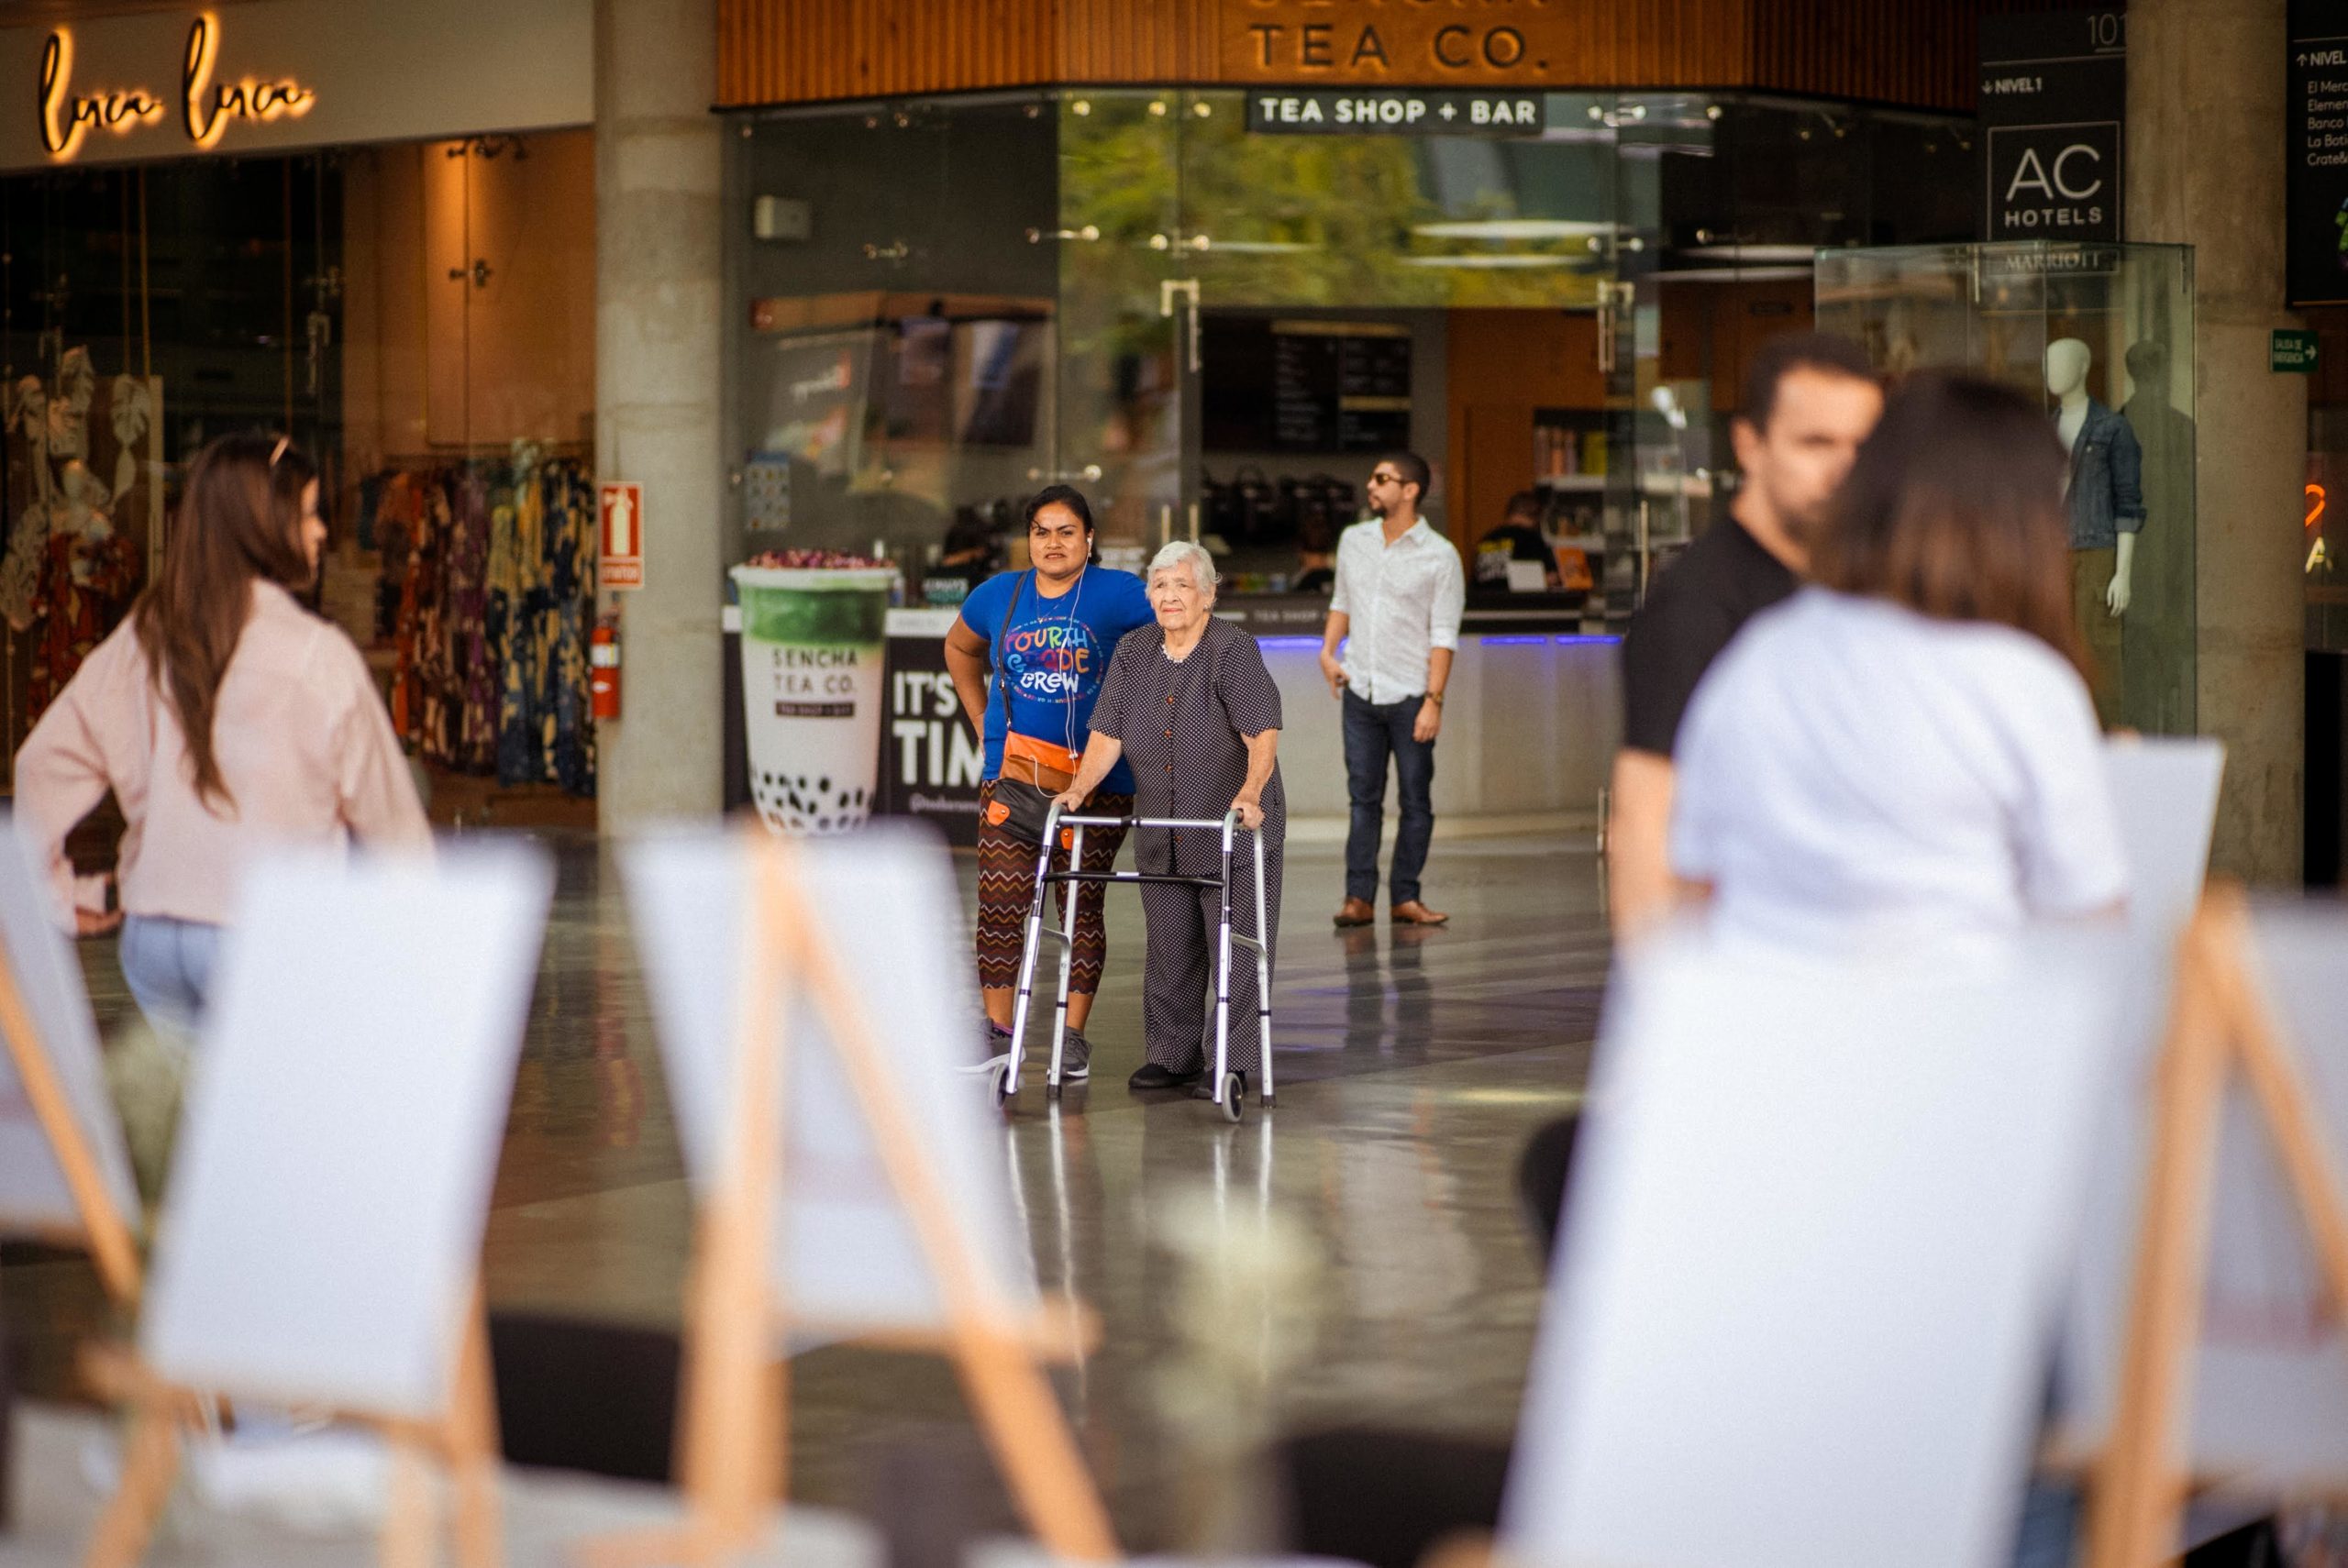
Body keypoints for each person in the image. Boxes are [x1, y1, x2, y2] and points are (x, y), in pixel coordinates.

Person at [1668, 370, 2127, 950]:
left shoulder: (1757, 656)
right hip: (1960, 1027)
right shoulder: (2023, 683)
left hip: (1766, 1026)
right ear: (2020, 525)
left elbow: (1695, 888)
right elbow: (2092, 931)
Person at [13, 431, 431, 1033]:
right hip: (268, 934)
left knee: (195, 1121)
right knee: (280, 1121)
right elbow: (393, 827)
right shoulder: (318, 655)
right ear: (264, 523)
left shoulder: (144, 636)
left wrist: (56, 894)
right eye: (309, 514)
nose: (319, 532)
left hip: (155, 933)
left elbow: (41, 765)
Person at [1607, 332, 1881, 943]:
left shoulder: (1854, 590)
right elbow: (1646, 817)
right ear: (1750, 445)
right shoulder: (1698, 605)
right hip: (1748, 968)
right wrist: (1664, 1002)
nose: (1842, 468)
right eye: (1815, 443)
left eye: (1860, 447)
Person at [1052, 540, 1285, 1094]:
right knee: (1170, 943)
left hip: (1232, 824)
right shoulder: (1134, 652)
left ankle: (1232, 1059)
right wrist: (1079, 789)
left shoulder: (1231, 648)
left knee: (1237, 942)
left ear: (1207, 595)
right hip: (1163, 824)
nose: (1169, 596)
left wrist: (1252, 792)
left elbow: (1262, 731)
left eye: (1182, 585)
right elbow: (1107, 730)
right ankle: (1172, 1053)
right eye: (1159, 585)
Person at [945, 485, 1154, 1078]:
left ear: (1090, 539)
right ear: (1027, 538)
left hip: (1097, 783)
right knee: (1000, 905)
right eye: (1041, 531)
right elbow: (959, 647)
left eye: (1067, 531)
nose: (1053, 542)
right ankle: (998, 1033)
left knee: (1079, 907)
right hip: (1011, 779)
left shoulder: (1120, 595)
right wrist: (982, 717)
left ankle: (1072, 1037)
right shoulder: (998, 594)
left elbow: (1179, 629)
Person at [1319, 452, 1464, 929]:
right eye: (1372, 476)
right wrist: (1327, 650)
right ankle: (1357, 897)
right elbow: (1342, 601)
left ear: (1411, 490)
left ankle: (1406, 896)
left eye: (1382, 478)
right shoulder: (1354, 540)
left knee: (1415, 801)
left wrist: (1433, 702)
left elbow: (1444, 635)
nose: (1371, 485)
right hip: (1361, 687)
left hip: (1411, 695)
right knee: (1363, 799)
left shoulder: (1440, 555)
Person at [1473, 491, 1559, 591]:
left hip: (1483, 603)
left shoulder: (1486, 540)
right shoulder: (1530, 539)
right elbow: (1549, 577)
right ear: (1536, 515)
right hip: (1517, 603)